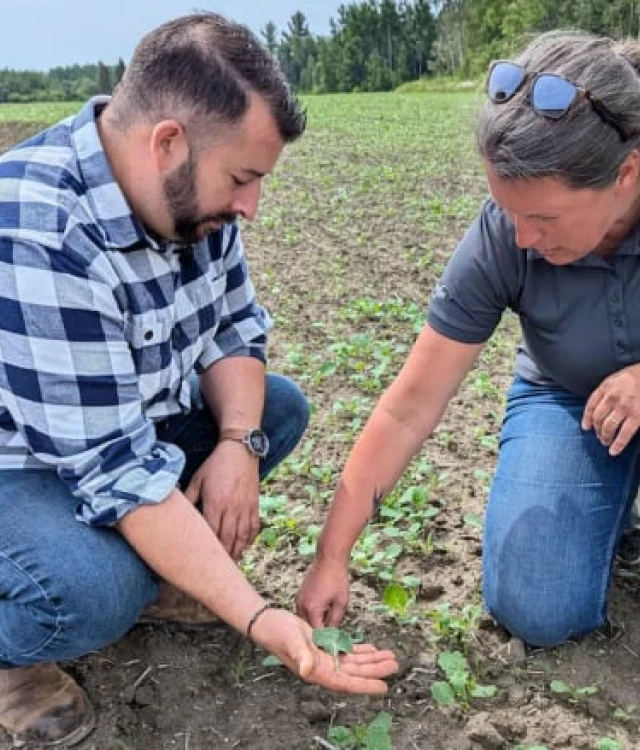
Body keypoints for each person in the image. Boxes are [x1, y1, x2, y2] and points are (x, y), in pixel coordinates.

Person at [0, 13, 398, 748]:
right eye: (242, 178)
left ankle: (152, 582)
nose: (250, 206)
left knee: (273, 409)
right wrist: (256, 615)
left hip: (119, 435)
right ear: (169, 144)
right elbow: (118, 472)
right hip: (19, 466)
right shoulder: (39, 231)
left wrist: (240, 445)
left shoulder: (189, 206)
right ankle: (13, 657)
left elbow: (236, 331)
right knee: (90, 593)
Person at [298, 29, 640, 675]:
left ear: (624, 174)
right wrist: (331, 555)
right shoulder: (505, 234)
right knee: (535, 606)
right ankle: (612, 502)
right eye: (507, 210)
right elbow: (411, 407)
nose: (521, 238)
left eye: (544, 219)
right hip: (574, 397)